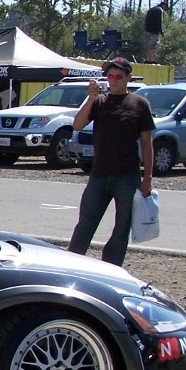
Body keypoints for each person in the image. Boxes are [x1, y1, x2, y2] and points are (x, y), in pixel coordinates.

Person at [67, 57, 154, 267]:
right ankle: (70, 263)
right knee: (85, 223)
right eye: (110, 76)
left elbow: (147, 143)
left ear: (128, 78)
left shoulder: (139, 104)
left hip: (127, 175)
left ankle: (111, 268)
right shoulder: (99, 102)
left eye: (118, 77)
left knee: (121, 226)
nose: (113, 80)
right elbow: (77, 125)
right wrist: (90, 98)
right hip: (99, 174)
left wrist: (148, 178)